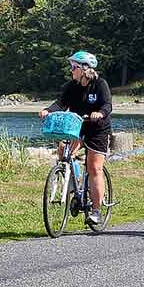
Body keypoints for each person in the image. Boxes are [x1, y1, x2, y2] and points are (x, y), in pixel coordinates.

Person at [39, 51, 112, 225]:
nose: (71, 70)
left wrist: (99, 113)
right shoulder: (71, 86)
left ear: (84, 69)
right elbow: (61, 103)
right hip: (77, 127)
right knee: (63, 151)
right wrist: (48, 111)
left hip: (97, 130)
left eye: (73, 67)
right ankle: (73, 182)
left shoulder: (100, 84)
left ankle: (96, 211)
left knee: (94, 168)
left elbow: (107, 105)